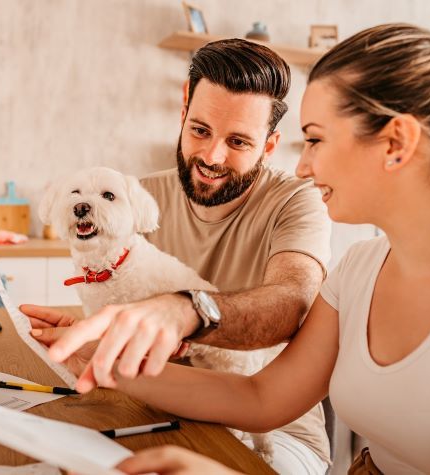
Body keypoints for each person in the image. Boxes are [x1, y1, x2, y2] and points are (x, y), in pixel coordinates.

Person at [35, 23, 430, 474]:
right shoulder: (361, 269)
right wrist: (95, 353)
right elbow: (260, 399)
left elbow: (289, 302)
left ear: (396, 143)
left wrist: (185, 310)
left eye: (314, 139)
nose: (301, 165)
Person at [22, 39, 333, 473]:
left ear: (270, 145)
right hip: (157, 405)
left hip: (278, 433)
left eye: (239, 142)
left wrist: (186, 310)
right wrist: (97, 340)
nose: (211, 156)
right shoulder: (135, 196)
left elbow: (292, 303)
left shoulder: (297, 200)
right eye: (200, 130)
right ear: (184, 108)